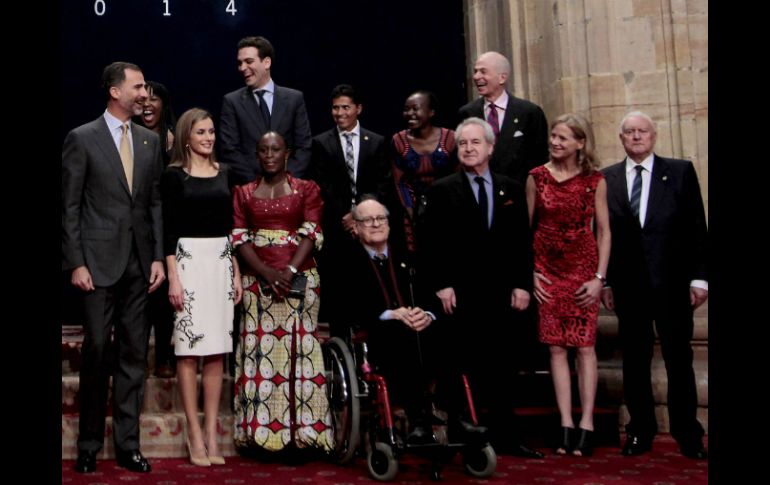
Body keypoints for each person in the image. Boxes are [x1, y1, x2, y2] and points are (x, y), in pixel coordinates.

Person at [62, 61, 165, 474]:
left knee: (133, 355)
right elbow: (69, 206)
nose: (145, 94)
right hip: (97, 264)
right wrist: (76, 262)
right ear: (114, 91)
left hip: (140, 264)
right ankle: (88, 443)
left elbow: (154, 202)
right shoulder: (81, 138)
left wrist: (157, 256)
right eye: (138, 87)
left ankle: (127, 445)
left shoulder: (148, 142)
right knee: (98, 350)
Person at [422, 117, 542, 458]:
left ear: (490, 147)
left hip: (502, 292)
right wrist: (442, 285)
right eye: (463, 144)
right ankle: (465, 434)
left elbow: (521, 242)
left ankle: (507, 436)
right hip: (459, 294)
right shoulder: (442, 189)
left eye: (476, 143)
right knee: (462, 364)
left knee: (503, 366)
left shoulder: (512, 188)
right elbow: (432, 245)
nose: (469, 149)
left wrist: (522, 284)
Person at [601, 111, 708, 459]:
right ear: (621, 139)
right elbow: (601, 236)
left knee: (679, 359)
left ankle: (688, 433)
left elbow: (696, 228)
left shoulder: (679, 171)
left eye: (642, 131)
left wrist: (700, 278)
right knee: (635, 360)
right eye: (629, 132)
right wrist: (606, 283)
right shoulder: (607, 179)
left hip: (673, 283)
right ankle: (639, 431)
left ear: (654, 135)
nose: (636, 137)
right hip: (629, 286)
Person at [342, 196, 488, 445]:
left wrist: (427, 315)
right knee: (401, 336)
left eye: (380, 218)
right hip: (379, 334)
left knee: (450, 331)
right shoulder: (346, 261)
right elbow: (347, 307)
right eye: (368, 220)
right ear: (356, 227)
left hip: (419, 329)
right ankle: (419, 420)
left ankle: (458, 419)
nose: (376, 224)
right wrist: (392, 314)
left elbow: (430, 294)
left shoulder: (408, 256)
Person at [231, 131, 334, 453]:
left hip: (300, 278)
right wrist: (266, 272)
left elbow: (312, 231)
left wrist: (288, 272)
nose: (269, 155)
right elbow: (238, 236)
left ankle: (304, 435)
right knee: (259, 353)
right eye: (263, 150)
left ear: (287, 153)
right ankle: (262, 436)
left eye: (275, 149)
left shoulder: (307, 189)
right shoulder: (243, 192)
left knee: (299, 353)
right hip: (255, 282)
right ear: (257, 154)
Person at [160, 108, 243, 466]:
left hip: (221, 262)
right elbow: (168, 231)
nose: (208, 137)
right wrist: (173, 277)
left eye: (211, 132)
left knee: (216, 351)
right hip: (189, 263)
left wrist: (236, 271)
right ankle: (194, 434)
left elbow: (230, 228)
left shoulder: (226, 173)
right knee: (188, 351)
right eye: (201, 132)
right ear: (186, 137)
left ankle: (212, 433)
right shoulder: (174, 177)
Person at [525, 114, 610, 457]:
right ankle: (565, 423)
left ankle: (586, 423)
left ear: (580, 143)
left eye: (563, 138)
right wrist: (530, 273)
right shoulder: (537, 177)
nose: (555, 142)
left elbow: (604, 231)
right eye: (553, 137)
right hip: (547, 271)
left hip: (583, 272)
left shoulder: (595, 181)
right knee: (556, 349)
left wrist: (599, 278)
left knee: (585, 348)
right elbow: (524, 230)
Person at [309, 84, 391, 328]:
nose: (340, 113)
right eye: (335, 108)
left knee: (369, 291)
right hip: (338, 228)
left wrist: (361, 214)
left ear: (358, 109)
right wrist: (346, 216)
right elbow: (322, 185)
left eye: (346, 107)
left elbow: (382, 182)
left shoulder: (376, 142)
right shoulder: (321, 143)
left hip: (370, 226)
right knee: (339, 293)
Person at [220, 36, 313, 185]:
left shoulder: (294, 99)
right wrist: (257, 185)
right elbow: (230, 151)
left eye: (249, 62)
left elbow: (304, 147)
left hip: (289, 189)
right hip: (250, 189)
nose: (242, 68)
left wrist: (285, 181)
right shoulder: (232, 102)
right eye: (240, 63)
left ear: (267, 62)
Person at [134, 80, 178, 377]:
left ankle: (164, 357)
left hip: (163, 221)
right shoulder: (127, 135)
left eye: (155, 98)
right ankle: (133, 358)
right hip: (134, 224)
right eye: (143, 98)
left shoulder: (171, 140)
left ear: (164, 104)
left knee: (162, 296)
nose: (148, 104)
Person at [458, 51, 548, 185]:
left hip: (518, 194)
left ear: (502, 78)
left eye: (483, 72)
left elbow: (540, 160)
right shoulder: (467, 113)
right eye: (475, 71)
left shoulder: (529, 112)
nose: (476, 77)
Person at [391, 90, 457, 253]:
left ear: (431, 112)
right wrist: (412, 213)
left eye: (416, 108)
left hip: (448, 211)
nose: (410, 114)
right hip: (413, 213)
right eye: (407, 109)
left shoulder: (450, 138)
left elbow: (458, 179)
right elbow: (400, 182)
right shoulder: (399, 140)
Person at [134, 80, 177, 164]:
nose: (146, 104)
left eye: (153, 99)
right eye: (142, 100)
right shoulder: (128, 138)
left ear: (163, 105)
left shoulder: (175, 140)